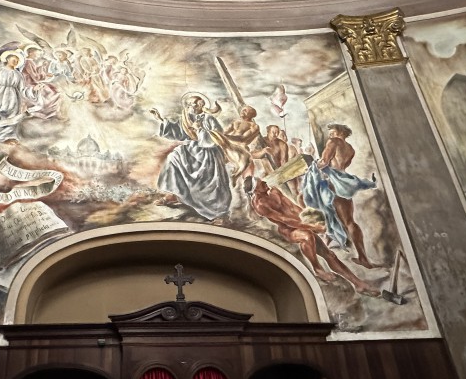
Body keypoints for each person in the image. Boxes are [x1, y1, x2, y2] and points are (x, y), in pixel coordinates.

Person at [244, 176, 379, 296]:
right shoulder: (260, 205)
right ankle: (317, 268)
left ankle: (358, 284)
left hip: (300, 222)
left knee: (330, 255)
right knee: (307, 236)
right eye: (261, 183)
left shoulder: (273, 191)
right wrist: (311, 227)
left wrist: (309, 218)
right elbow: (285, 220)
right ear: (256, 191)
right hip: (289, 230)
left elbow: (293, 208)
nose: (264, 182)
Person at [304, 123, 376, 268]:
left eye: (332, 132)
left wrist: (310, 162)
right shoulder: (350, 149)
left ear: (340, 132)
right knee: (348, 221)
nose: (329, 135)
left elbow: (324, 163)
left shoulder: (333, 142)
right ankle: (363, 257)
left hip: (332, 183)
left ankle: (328, 249)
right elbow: (341, 166)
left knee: (325, 214)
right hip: (344, 183)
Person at [150, 93, 232, 221]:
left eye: (192, 104)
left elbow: (217, 137)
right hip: (190, 149)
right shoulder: (186, 118)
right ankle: (174, 194)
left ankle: (218, 212)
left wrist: (200, 130)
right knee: (173, 157)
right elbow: (178, 132)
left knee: (212, 180)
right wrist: (160, 119)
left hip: (207, 152)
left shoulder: (209, 119)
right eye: (187, 104)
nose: (189, 106)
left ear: (200, 104)